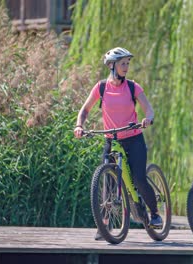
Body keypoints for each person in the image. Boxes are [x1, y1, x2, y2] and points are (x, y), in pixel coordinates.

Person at [74, 47, 162, 240]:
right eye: (123, 64)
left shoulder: (132, 87)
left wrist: (148, 118)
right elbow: (85, 110)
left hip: (133, 139)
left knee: (139, 177)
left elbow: (149, 109)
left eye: (128, 63)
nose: (126, 67)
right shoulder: (101, 87)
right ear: (111, 65)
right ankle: (104, 226)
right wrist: (79, 125)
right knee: (108, 181)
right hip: (111, 139)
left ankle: (155, 213)